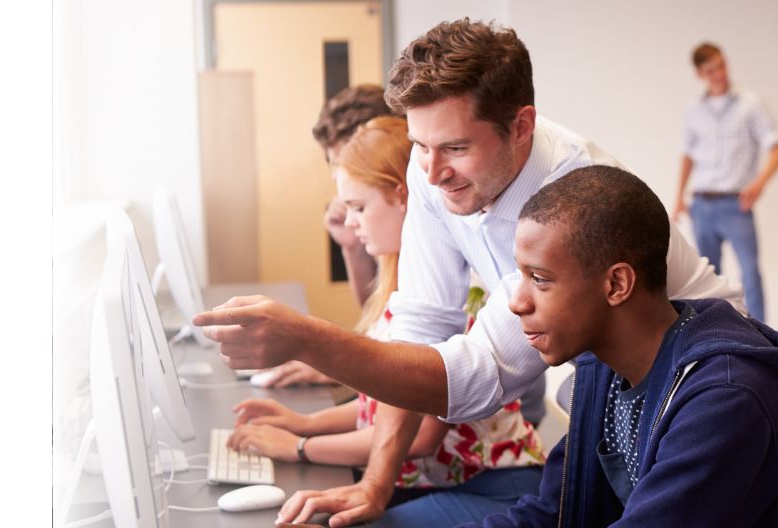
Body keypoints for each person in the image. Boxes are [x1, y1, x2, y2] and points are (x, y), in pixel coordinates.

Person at [193, 19, 743, 526]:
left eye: (455, 147)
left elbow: (474, 380)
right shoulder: (434, 164)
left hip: (685, 392)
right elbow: (420, 327)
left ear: (521, 126)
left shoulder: (573, 197)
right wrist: (376, 484)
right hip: (609, 388)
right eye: (419, 146)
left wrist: (306, 340)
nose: (430, 173)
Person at [228, 116, 544, 526]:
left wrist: (300, 446)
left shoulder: (457, 298)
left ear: (403, 196)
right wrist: (307, 424)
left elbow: (423, 434)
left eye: (359, 207)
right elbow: (379, 405)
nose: (351, 222)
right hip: (442, 482)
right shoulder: (399, 291)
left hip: (497, 488)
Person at [468, 165, 778, 526]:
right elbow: (553, 513)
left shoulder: (724, 398)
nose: (517, 303)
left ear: (616, 284)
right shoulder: (604, 374)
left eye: (539, 279)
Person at [263, 84, 397, 388]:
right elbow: (378, 318)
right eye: (332, 163)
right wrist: (350, 246)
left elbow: (411, 363)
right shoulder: (373, 220)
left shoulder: (399, 216)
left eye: (344, 161)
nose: (337, 177)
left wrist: (337, 367)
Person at [672, 42, 777, 322]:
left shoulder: (750, 104)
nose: (719, 73)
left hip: (736, 203)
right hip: (702, 204)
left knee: (750, 273)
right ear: (700, 74)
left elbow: (774, 146)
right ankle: (717, 335)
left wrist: (759, 184)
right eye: (711, 70)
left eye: (721, 65)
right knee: (708, 277)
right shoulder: (694, 110)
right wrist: (679, 198)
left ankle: (760, 338)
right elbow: (688, 155)